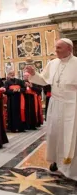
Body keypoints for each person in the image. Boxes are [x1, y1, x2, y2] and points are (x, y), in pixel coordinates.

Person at [25, 38, 77, 179]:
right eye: (56, 47)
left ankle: (69, 164)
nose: (56, 50)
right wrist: (33, 74)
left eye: (59, 48)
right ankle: (55, 161)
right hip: (55, 104)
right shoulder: (52, 63)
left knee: (69, 135)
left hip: (72, 105)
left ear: (69, 49)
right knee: (54, 133)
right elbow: (43, 80)